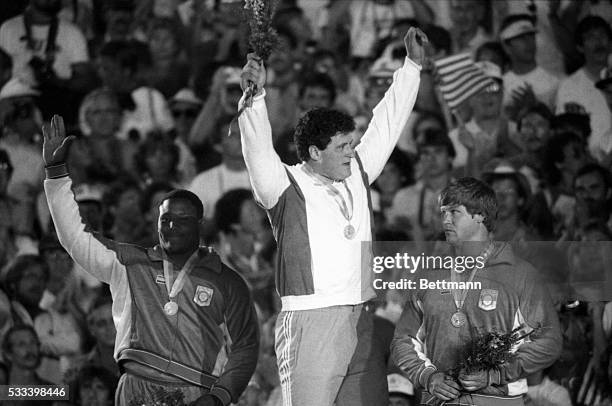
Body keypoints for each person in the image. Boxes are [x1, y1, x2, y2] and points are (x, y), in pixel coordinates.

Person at [238, 26, 427, 406]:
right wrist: (254, 97)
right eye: (341, 146)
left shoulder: (356, 169)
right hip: (312, 325)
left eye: (351, 144)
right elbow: (257, 149)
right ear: (312, 153)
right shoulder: (282, 185)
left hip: (362, 318)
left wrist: (412, 68)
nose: (350, 152)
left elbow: (387, 124)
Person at [43, 115, 259, 406]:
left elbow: (245, 346)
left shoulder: (227, 280)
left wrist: (220, 396)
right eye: (166, 219)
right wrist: (56, 174)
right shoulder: (130, 264)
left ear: (199, 223)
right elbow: (75, 237)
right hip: (136, 388)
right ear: (156, 222)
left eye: (182, 220)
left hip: (200, 391)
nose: (172, 227)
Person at [391, 177, 562, 405]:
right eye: (442, 213)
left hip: (497, 400)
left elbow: (549, 341)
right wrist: (428, 376)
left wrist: (497, 374)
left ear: (480, 215)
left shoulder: (520, 274)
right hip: (440, 399)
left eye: (454, 212)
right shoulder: (430, 274)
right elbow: (403, 339)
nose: (445, 220)